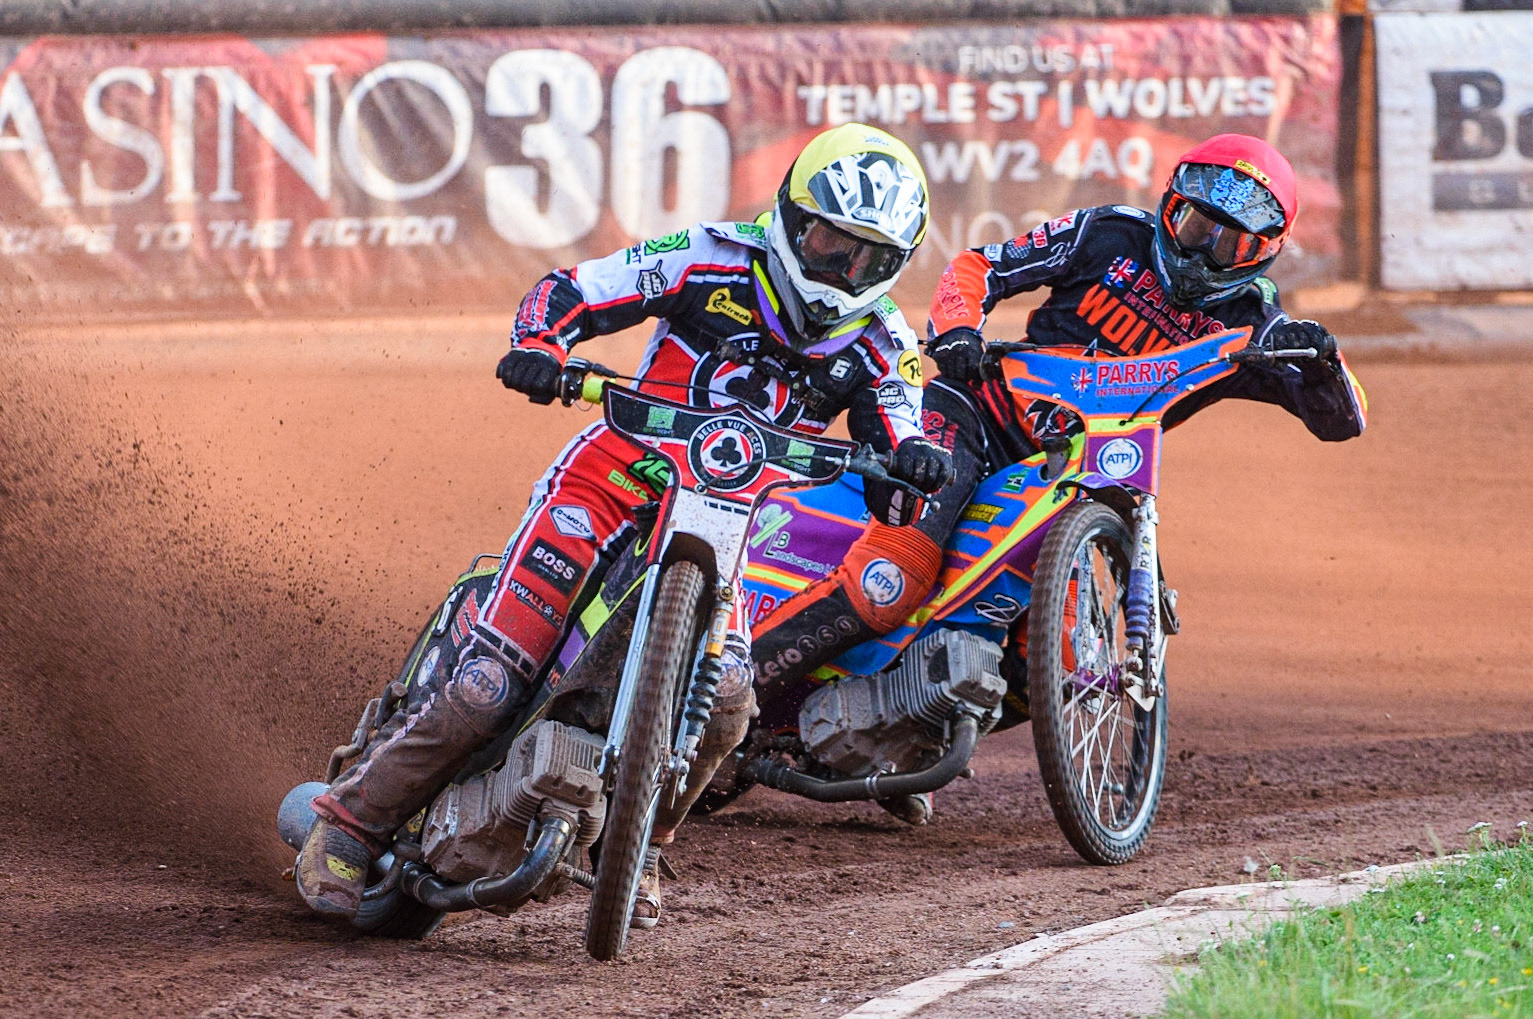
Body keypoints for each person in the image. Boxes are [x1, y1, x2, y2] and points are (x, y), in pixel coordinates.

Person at [295, 123, 953, 926]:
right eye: (827, 242)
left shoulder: (886, 340)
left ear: (895, 266)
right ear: (788, 214)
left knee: (727, 707)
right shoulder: (710, 256)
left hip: (728, 521)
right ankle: (349, 824)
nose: (841, 271)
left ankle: (637, 843)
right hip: (613, 473)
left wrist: (911, 465)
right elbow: (572, 289)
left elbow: (902, 424)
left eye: (868, 260)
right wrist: (539, 344)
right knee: (490, 680)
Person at [748, 134, 1367, 823]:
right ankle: (722, 699)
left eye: (1226, 245)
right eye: (1191, 227)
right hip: (976, 415)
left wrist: (1320, 363)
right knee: (895, 574)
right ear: (1167, 208)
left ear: (1263, 252)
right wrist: (956, 331)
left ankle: (901, 735)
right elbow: (979, 265)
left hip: (1088, 469)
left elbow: (1341, 421)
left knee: (1053, 665)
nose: (1197, 254)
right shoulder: (1107, 234)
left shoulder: (1253, 321)